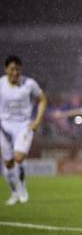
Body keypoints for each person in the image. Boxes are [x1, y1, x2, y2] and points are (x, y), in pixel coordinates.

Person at [0, 55, 47, 205]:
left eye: (18, 69)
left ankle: (22, 188)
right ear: (6, 69)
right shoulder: (0, 84)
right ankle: (14, 192)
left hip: (23, 126)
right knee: (7, 163)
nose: (15, 72)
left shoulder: (29, 84)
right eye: (12, 69)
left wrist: (37, 120)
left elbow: (42, 100)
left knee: (19, 157)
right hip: (4, 126)